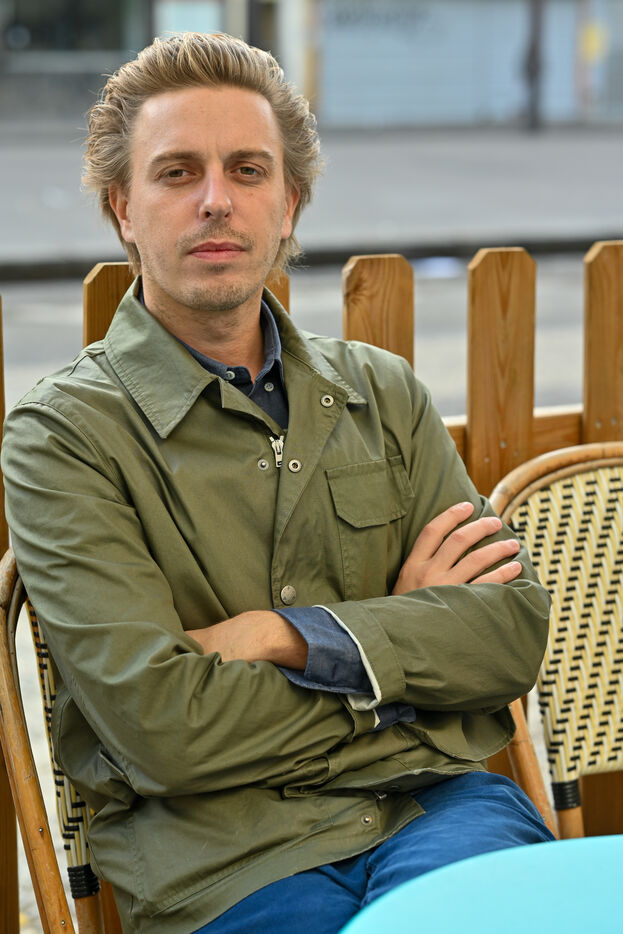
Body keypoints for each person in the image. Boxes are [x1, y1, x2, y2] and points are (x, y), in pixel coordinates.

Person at [2, 32, 553, 934]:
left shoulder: (382, 392)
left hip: (433, 809)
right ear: (123, 209)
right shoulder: (64, 437)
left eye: (248, 170)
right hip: (219, 861)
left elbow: (508, 637)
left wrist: (285, 638)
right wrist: (396, 668)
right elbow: (162, 729)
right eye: (177, 172)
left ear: (288, 202)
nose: (216, 200)